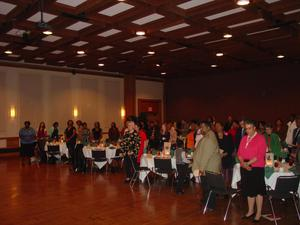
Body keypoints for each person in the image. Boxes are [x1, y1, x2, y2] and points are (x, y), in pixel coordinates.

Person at [237, 120, 267, 222]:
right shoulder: (244, 138)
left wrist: (248, 163)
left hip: (257, 167)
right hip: (245, 167)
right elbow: (239, 153)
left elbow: (260, 155)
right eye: (246, 129)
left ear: (254, 128)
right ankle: (250, 211)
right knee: (249, 190)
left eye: (250, 128)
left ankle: (258, 213)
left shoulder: (261, 138)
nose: (247, 130)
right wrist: (244, 164)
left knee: (258, 190)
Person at [192, 121, 221, 211]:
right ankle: (206, 202)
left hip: (209, 166)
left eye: (203, 127)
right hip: (208, 166)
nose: (201, 129)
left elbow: (206, 155)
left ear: (208, 127)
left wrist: (201, 168)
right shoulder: (208, 136)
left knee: (209, 187)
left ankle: (210, 205)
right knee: (206, 186)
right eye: (200, 127)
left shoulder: (209, 138)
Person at [120, 117, 140, 182]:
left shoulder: (136, 134)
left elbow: (137, 145)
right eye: (128, 125)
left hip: (132, 154)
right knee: (126, 165)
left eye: (130, 125)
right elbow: (123, 143)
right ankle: (128, 177)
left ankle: (134, 178)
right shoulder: (126, 133)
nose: (128, 126)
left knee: (133, 166)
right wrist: (122, 151)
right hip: (126, 153)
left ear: (133, 126)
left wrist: (133, 152)